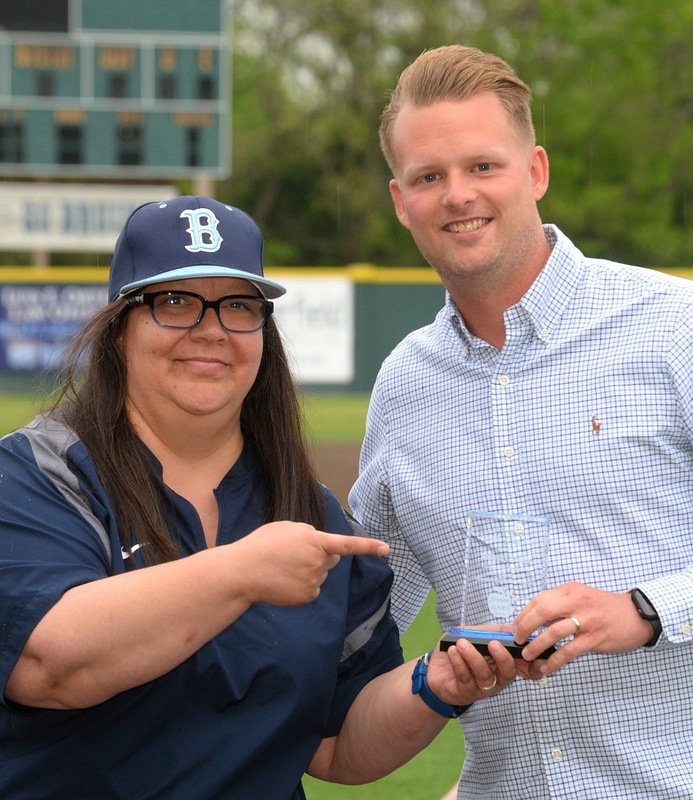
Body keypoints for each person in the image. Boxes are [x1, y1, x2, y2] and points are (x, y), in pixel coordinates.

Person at [0, 195, 513, 800]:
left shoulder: (307, 512)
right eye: (175, 302)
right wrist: (242, 571)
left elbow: (339, 744)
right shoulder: (38, 475)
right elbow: (48, 667)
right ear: (119, 329)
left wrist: (437, 682)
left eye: (238, 306)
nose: (211, 329)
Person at [350, 44, 693, 799]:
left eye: (482, 166)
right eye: (427, 177)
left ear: (534, 171)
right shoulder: (404, 387)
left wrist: (644, 609)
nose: (456, 195)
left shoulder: (672, 326)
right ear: (399, 199)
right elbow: (360, 626)